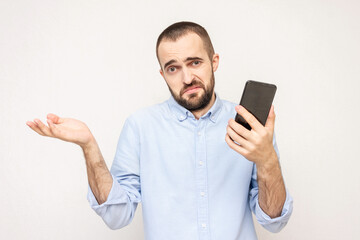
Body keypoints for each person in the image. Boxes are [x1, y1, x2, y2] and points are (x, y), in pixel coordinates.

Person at [26, 21, 293, 240]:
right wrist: (89, 146)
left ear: (214, 61)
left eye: (195, 62)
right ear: (163, 74)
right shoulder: (140, 126)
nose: (187, 78)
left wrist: (267, 160)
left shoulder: (249, 126)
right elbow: (117, 216)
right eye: (173, 68)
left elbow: (273, 220)